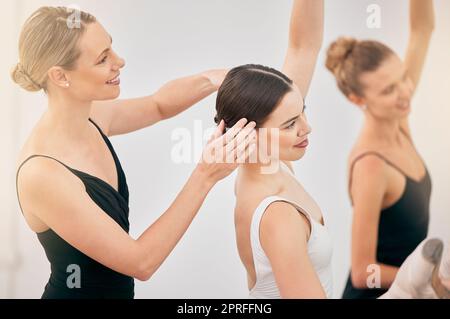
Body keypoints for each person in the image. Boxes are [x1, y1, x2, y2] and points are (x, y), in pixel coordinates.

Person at [13, 6, 256, 299]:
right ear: (60, 77)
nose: (120, 61)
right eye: (103, 59)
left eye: (111, 48)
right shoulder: (42, 174)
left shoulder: (93, 116)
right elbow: (141, 262)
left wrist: (215, 79)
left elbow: (158, 105)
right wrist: (205, 174)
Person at [215, 0, 331, 298]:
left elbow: (304, 46)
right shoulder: (277, 215)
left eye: (303, 111)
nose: (307, 128)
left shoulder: (268, 162)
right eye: (291, 123)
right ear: (248, 134)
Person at [325, 0, 436, 298]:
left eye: (402, 77)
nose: (404, 92)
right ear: (357, 99)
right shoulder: (370, 165)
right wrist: (431, 277)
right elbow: (364, 273)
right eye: (388, 90)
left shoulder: (398, 118)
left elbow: (422, 29)